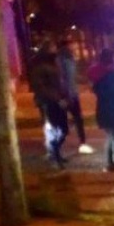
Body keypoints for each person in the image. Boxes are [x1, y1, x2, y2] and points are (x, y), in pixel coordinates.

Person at [29, 40, 69, 168]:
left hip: (59, 100)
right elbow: (41, 87)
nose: (55, 50)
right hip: (48, 102)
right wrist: (57, 98)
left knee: (63, 129)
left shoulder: (54, 64)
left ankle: (56, 152)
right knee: (55, 128)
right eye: (52, 48)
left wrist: (65, 96)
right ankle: (55, 155)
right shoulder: (40, 66)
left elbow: (60, 82)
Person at [88, 48, 114, 172]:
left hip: (103, 108)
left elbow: (97, 90)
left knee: (111, 136)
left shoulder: (97, 74)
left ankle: (110, 162)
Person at [57, 39, 92, 154]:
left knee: (78, 119)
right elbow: (62, 79)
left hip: (72, 94)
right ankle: (56, 146)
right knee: (64, 123)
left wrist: (83, 80)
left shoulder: (70, 60)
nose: (72, 48)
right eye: (69, 46)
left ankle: (82, 142)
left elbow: (72, 77)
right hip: (66, 95)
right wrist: (65, 95)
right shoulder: (60, 61)